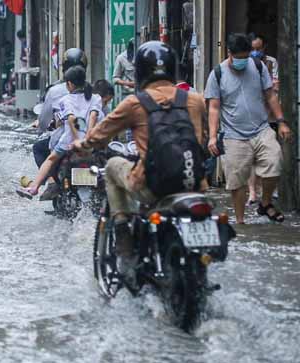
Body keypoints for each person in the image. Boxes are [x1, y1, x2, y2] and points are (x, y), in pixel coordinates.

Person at [72, 41, 207, 281]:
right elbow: (202, 141)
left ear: (140, 72)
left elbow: (98, 136)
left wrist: (81, 145)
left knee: (112, 166)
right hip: (194, 185)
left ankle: (123, 229)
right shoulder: (195, 100)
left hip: (153, 186)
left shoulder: (135, 103)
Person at [205, 33, 291, 224]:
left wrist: (281, 121)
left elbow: (270, 95)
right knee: (237, 182)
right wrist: (212, 137)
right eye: (240, 58)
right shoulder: (217, 74)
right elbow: (214, 107)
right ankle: (241, 221)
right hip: (233, 135)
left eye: (246, 56)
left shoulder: (258, 67)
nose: (244, 61)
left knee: (275, 162)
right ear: (229, 53)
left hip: (261, 129)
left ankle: (266, 203)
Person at [21, 66, 101, 196]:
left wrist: (78, 141)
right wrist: (88, 140)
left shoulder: (65, 100)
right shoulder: (95, 97)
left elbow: (70, 119)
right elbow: (93, 116)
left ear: (69, 84)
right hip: (92, 142)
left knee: (51, 159)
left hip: (69, 141)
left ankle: (34, 188)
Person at [31, 48, 87, 199]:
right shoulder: (93, 93)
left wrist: (41, 129)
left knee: (40, 149)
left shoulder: (57, 93)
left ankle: (50, 183)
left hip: (66, 139)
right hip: (90, 140)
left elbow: (46, 120)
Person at [247, 33, 281, 204]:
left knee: (271, 155)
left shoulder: (271, 62)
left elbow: (275, 86)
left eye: (258, 49)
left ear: (264, 48)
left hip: (269, 117)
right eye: (252, 49)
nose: (255, 52)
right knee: (252, 157)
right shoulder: (244, 63)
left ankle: (270, 189)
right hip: (251, 116)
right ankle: (253, 192)